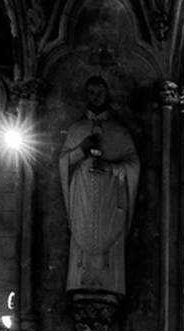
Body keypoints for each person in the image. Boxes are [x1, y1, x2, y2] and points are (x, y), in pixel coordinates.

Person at [58, 75, 140, 295]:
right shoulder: (76, 130)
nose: (96, 97)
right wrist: (81, 150)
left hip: (109, 203)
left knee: (110, 248)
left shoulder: (119, 132)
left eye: (100, 92)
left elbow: (133, 166)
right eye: (92, 92)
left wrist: (111, 168)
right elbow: (63, 163)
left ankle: (110, 285)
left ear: (107, 94)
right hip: (82, 201)